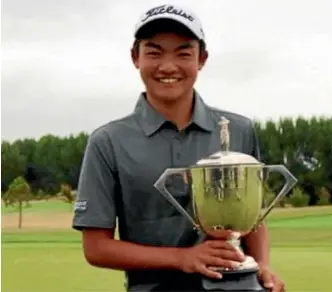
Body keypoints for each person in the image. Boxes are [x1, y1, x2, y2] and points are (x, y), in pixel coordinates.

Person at [72, 4, 285, 292]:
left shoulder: (240, 130)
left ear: (202, 59)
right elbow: (96, 248)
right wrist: (182, 258)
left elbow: (251, 218)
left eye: (183, 53)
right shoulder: (108, 141)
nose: (168, 66)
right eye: (154, 52)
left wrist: (262, 267)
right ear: (135, 57)